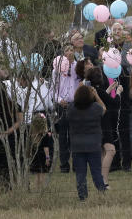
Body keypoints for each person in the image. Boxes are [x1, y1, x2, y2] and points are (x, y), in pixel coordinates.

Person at [67, 85, 107, 201]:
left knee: (80, 173)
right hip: (93, 145)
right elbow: (104, 108)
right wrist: (96, 95)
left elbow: (67, 118)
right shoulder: (95, 108)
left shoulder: (71, 108)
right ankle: (102, 192)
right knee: (96, 172)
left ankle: (82, 197)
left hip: (77, 146)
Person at [88, 66, 120, 188]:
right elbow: (114, 103)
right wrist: (118, 93)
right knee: (111, 151)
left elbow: (101, 99)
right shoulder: (98, 92)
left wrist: (108, 90)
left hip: (95, 125)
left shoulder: (92, 91)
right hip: (104, 125)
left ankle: (100, 182)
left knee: (102, 152)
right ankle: (104, 181)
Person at [52, 44, 79, 173]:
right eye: (66, 50)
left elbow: (80, 84)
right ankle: (64, 164)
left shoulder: (78, 67)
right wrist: (59, 100)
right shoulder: (56, 69)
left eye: (71, 50)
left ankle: (76, 163)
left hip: (74, 104)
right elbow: (53, 88)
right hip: (62, 105)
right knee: (63, 135)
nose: (69, 52)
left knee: (75, 135)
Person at [28, 115, 54, 189]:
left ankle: (37, 188)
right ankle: (41, 190)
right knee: (42, 173)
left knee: (37, 174)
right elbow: (46, 148)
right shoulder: (45, 135)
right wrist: (47, 157)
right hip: (43, 156)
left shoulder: (31, 135)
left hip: (35, 156)